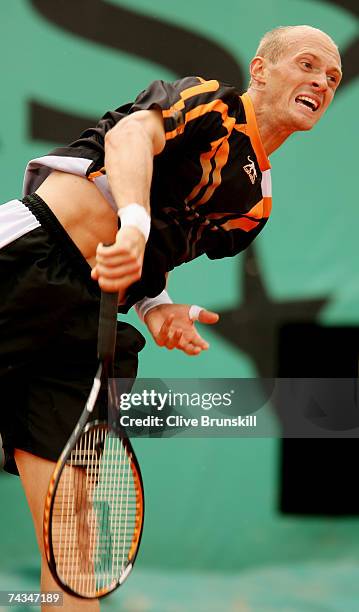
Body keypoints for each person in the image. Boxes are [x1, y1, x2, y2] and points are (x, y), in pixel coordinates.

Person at [0, 24, 342, 611]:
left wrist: (157, 308)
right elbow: (131, 136)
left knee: (73, 534)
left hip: (85, 319)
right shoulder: (211, 105)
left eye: (333, 77)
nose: (321, 81)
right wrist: (132, 221)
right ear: (260, 70)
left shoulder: (252, 207)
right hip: (22, 261)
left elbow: (151, 257)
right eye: (307, 65)